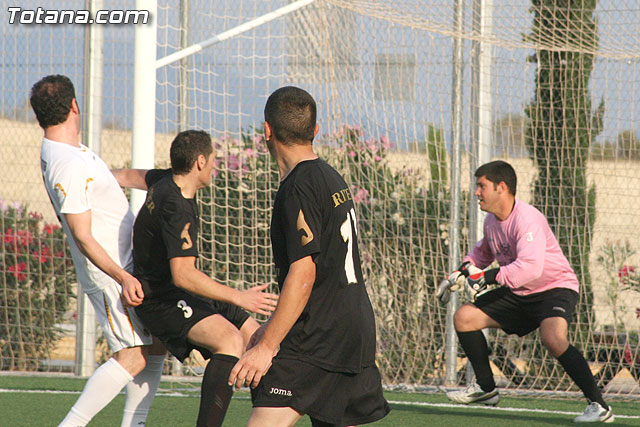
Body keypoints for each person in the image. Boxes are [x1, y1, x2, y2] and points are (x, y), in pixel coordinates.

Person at [228, 86, 391, 427]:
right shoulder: (331, 178)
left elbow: (304, 274)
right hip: (354, 330)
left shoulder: (298, 187)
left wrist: (267, 346)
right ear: (315, 130)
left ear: (267, 130)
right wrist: (273, 326)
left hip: (317, 337)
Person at [31, 74, 166, 427]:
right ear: (74, 106)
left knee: (155, 345)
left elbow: (112, 177)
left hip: (126, 266)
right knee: (132, 356)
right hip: (110, 273)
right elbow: (83, 236)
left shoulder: (72, 151)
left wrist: (167, 179)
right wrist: (122, 277)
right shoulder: (67, 163)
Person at [442, 160, 614, 423]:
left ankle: (599, 406)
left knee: (553, 338)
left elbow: (530, 269)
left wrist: (486, 277)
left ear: (501, 187)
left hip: (554, 288)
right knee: (465, 317)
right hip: (520, 292)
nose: (476, 192)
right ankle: (486, 389)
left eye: (481, 186)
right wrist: (462, 271)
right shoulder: (491, 221)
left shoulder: (528, 219)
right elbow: (482, 253)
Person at [131, 129, 279, 427]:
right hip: (159, 298)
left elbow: (129, 175)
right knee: (229, 340)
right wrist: (240, 297)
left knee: (258, 341)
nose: (215, 165)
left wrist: (93, 175)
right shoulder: (177, 209)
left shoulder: (164, 180)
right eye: (213, 159)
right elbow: (183, 275)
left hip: (181, 293)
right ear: (200, 161)